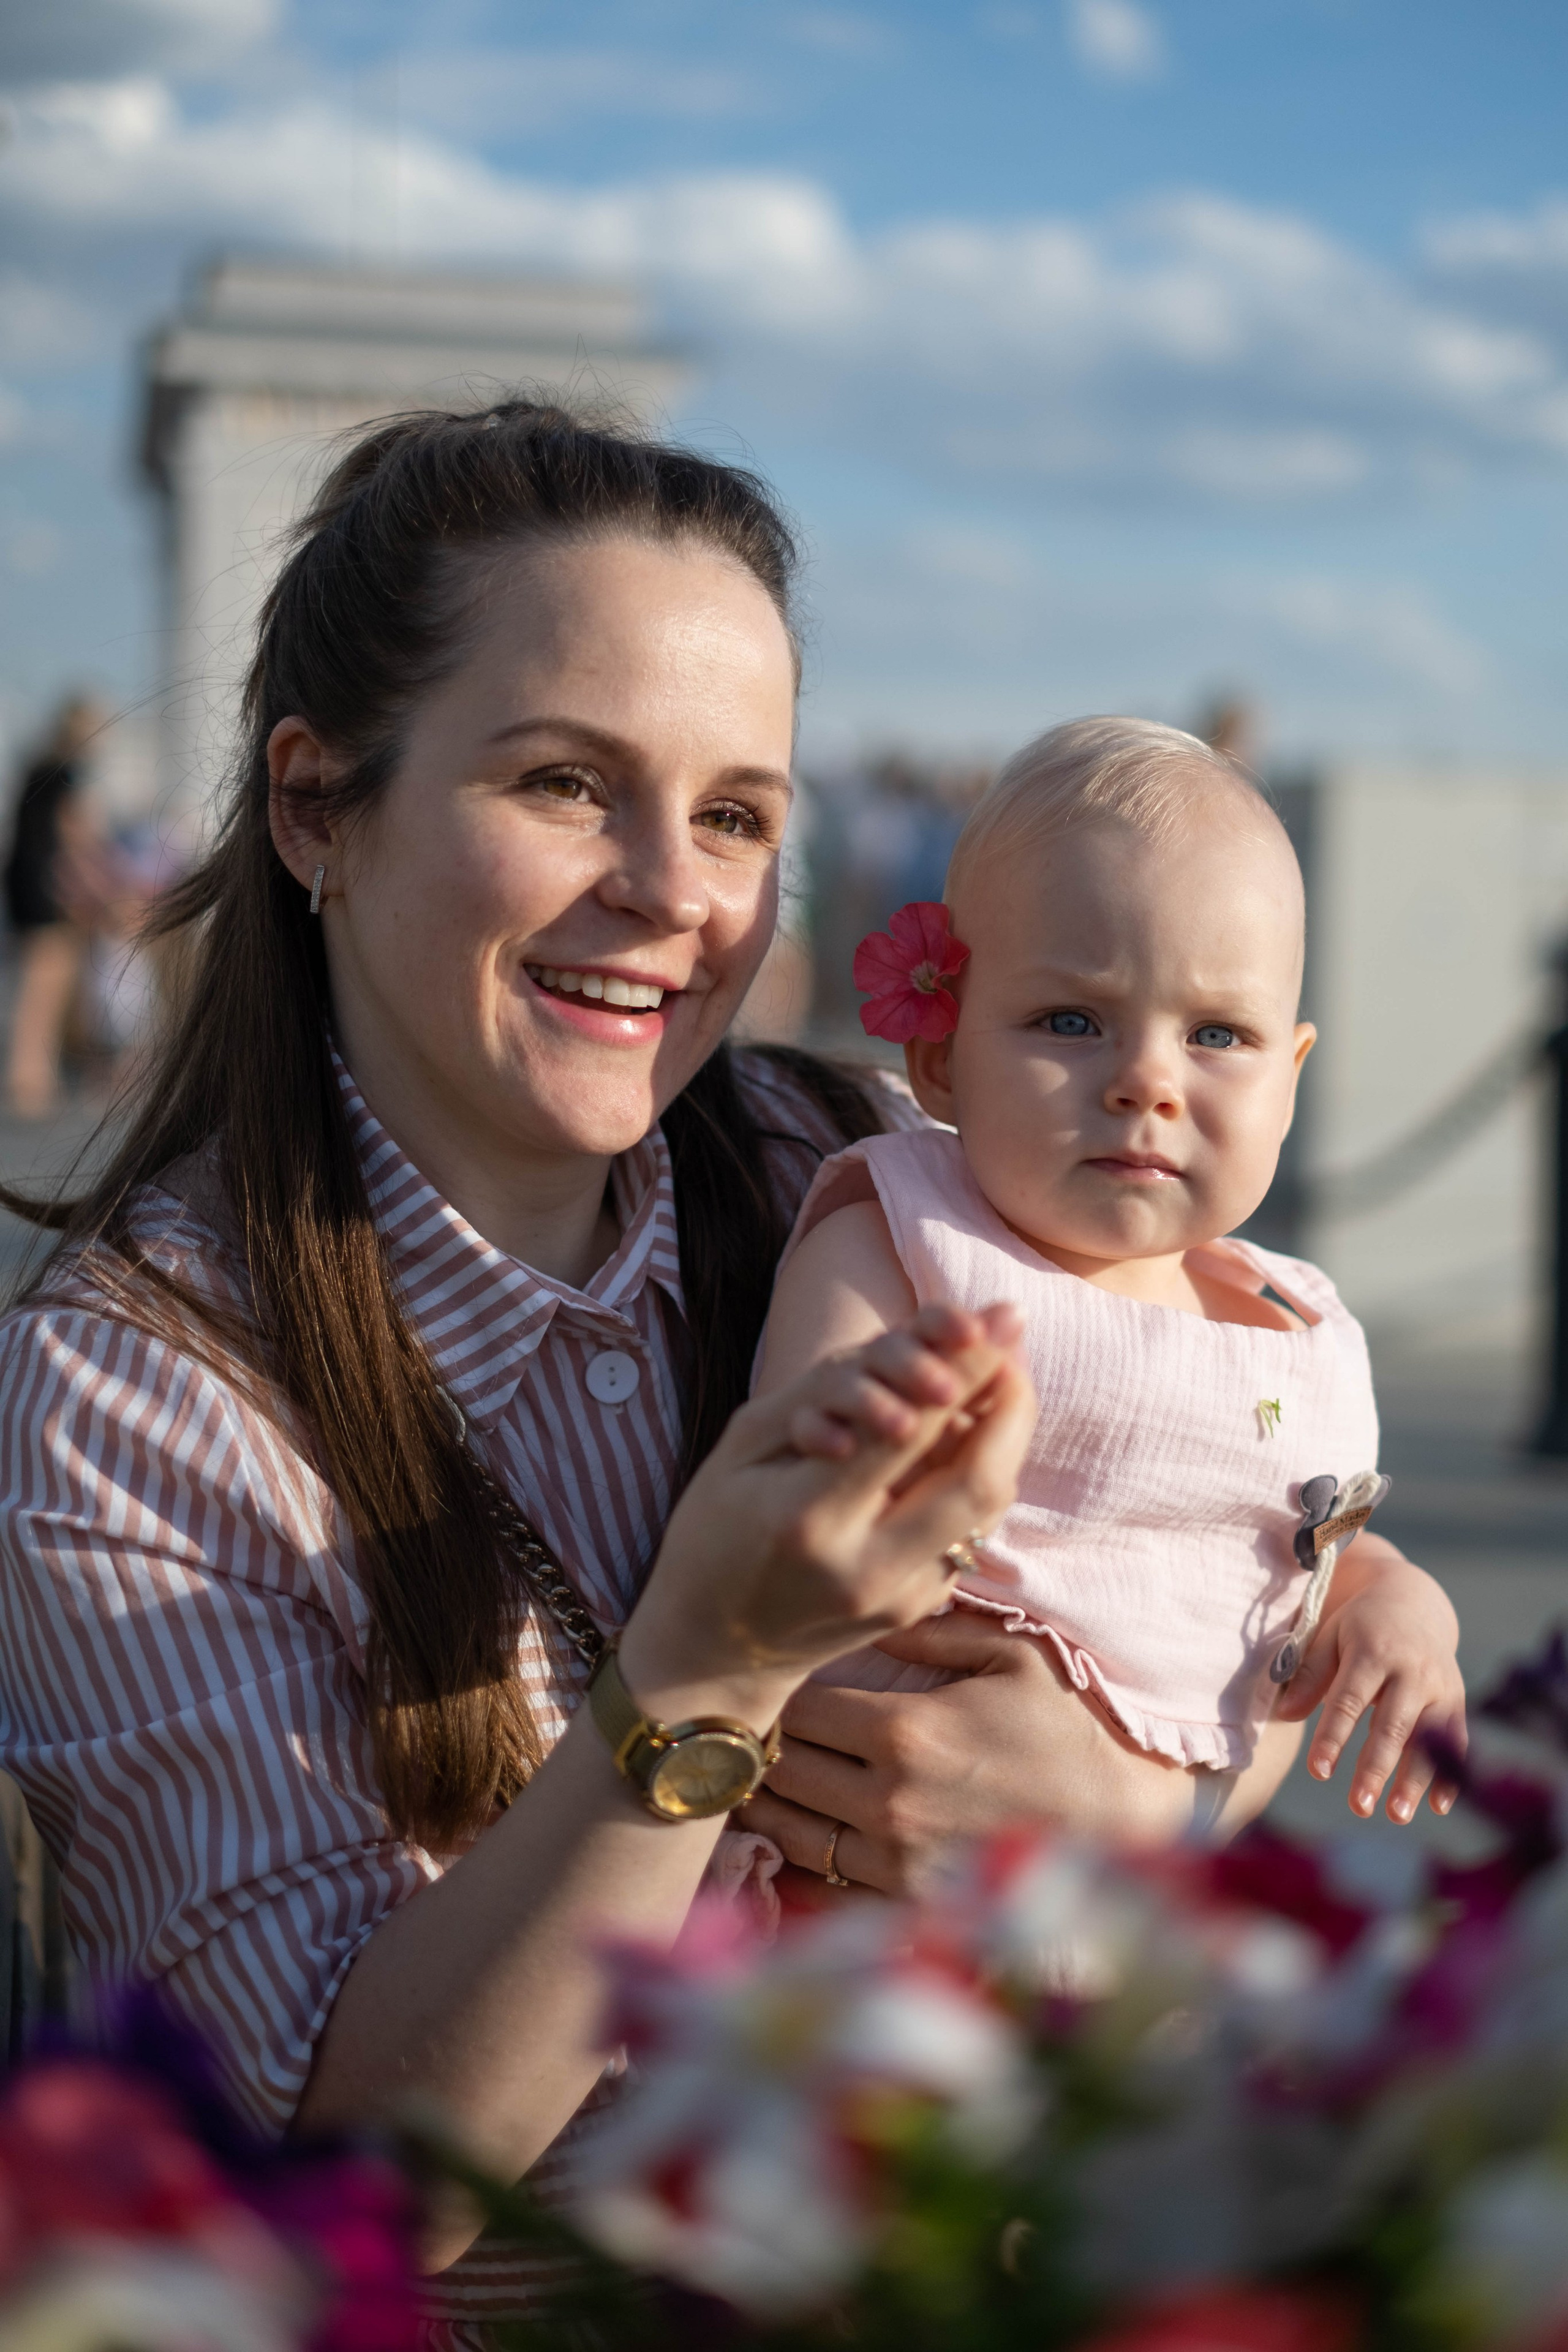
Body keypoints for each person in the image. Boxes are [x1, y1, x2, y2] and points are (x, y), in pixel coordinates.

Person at [0, 407, 1365, 2340]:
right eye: (568, 783)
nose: (670, 886)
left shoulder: (871, 1173)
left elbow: (1222, 1537)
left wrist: (1136, 1809)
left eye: (735, 813)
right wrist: (698, 1679)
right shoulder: (133, 1394)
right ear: (315, 804)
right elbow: (316, 2199)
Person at [748, 717, 1464, 1882]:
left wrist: (1400, 1606)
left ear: (1289, 1082)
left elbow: (1304, 1556)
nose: (1146, 1081)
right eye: (1071, 1022)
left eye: (1218, 1035)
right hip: (868, 1859)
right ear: (944, 1054)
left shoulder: (1288, 1326)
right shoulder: (914, 1235)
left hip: (1133, 1892)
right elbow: (793, 1475)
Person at [2, 694, 106, 1116]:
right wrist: (99, 888)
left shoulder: (35, 767)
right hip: (46, 884)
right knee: (48, 980)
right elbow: (75, 838)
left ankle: (31, 1075)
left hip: (21, 880)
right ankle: (29, 1079)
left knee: (38, 979)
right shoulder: (66, 774)